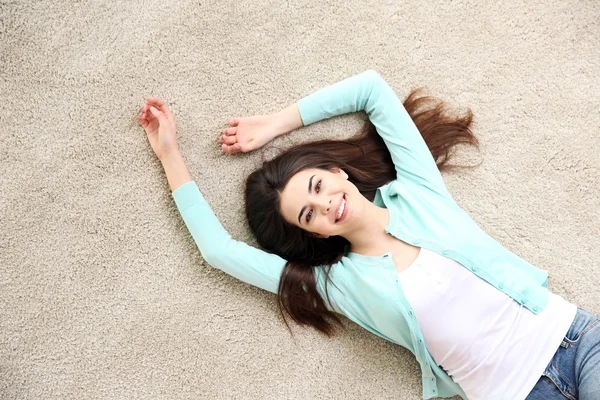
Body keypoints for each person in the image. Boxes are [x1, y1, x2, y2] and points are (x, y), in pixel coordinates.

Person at [137, 70, 600, 399]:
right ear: (311, 234)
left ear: (338, 172)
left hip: (575, 340)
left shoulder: (418, 192)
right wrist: (169, 154)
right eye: (308, 214)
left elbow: (372, 89)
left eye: (318, 186)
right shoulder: (339, 283)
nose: (325, 204)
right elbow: (218, 250)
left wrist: (274, 124)